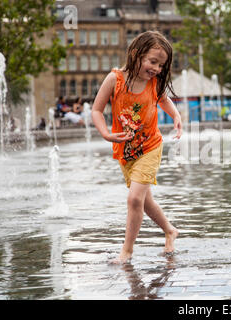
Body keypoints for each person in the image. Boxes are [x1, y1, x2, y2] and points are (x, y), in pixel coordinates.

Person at [91, 31, 182, 264]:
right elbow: (96, 110)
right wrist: (105, 133)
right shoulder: (115, 79)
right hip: (126, 151)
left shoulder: (153, 83)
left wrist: (176, 116)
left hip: (151, 146)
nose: (157, 69)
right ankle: (170, 230)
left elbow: (163, 99)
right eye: (153, 62)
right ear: (136, 54)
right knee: (144, 201)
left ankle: (127, 252)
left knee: (134, 200)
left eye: (161, 65)